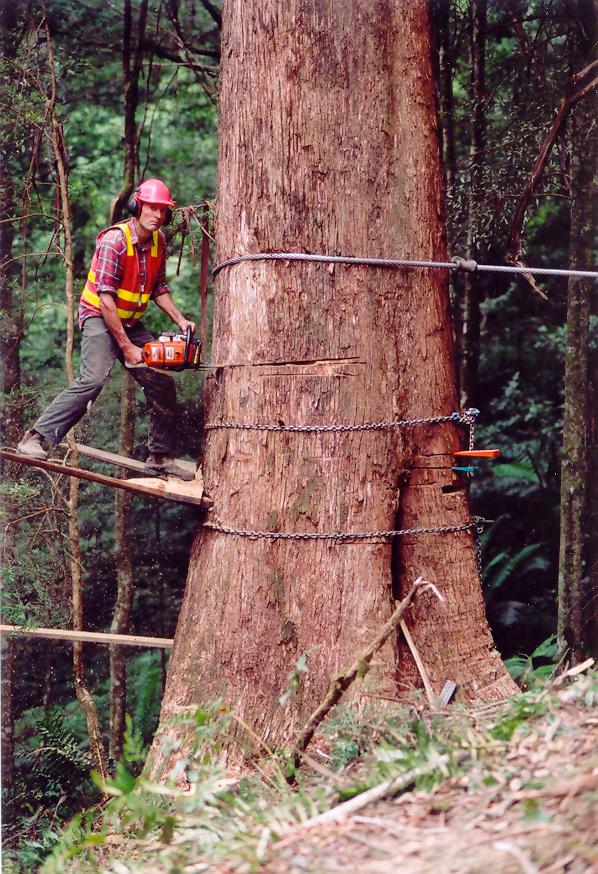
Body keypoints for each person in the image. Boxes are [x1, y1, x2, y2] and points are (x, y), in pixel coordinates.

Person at [17, 178, 196, 481]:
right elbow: (105, 300)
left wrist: (180, 319)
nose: (157, 215)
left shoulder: (159, 242)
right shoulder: (115, 241)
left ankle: (160, 458)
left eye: (162, 210)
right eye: (152, 208)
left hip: (130, 320)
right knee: (93, 379)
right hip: (100, 316)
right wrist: (127, 348)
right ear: (137, 206)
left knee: (161, 382)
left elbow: (158, 287)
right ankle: (35, 438)